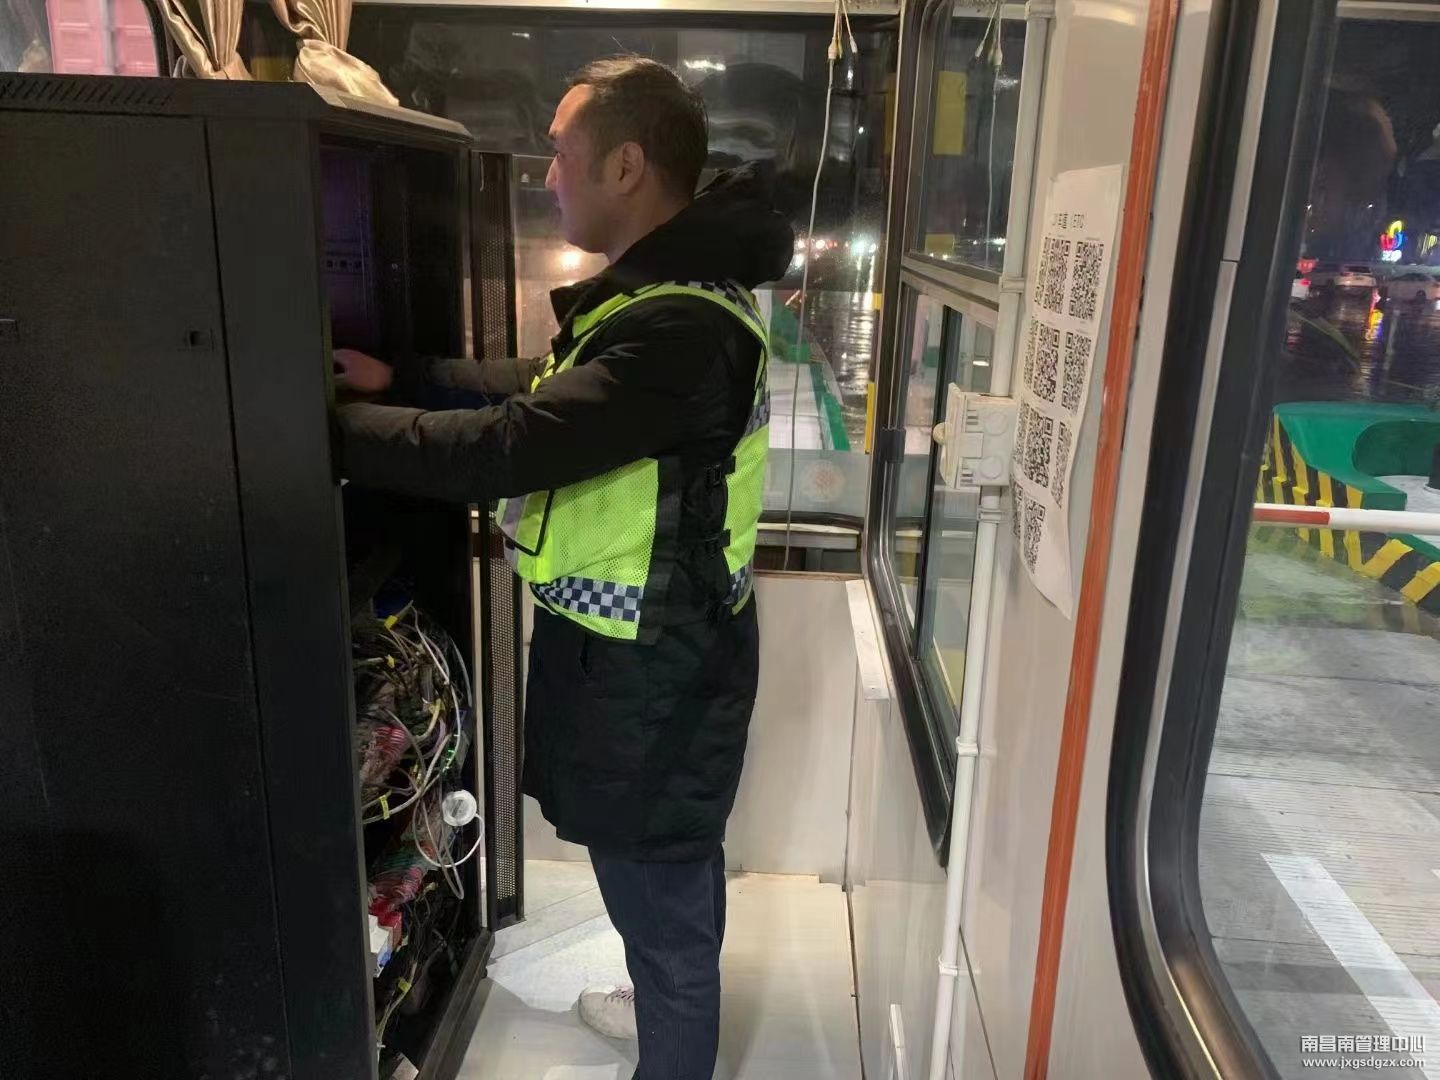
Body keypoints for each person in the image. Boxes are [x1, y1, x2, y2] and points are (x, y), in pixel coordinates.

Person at [334, 57, 794, 1080]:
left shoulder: (682, 326)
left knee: (661, 893)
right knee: (653, 870)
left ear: (624, 165)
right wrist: (404, 378)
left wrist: (330, 429)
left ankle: (671, 1051)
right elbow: (545, 384)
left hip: (659, 667)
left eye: (559, 153)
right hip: (639, 650)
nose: (547, 177)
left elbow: (517, 443)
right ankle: (656, 1005)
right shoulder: (667, 295)